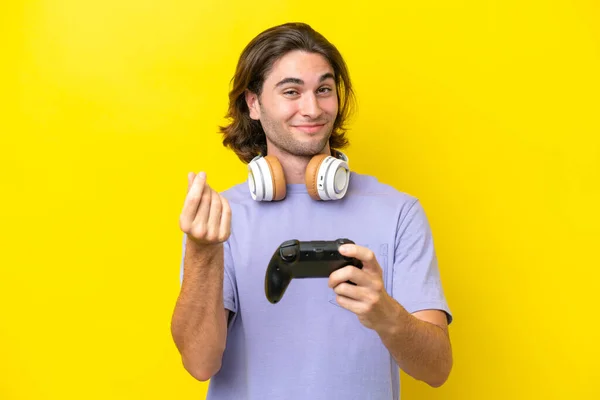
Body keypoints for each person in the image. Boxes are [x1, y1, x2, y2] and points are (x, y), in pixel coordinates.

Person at [170, 22, 453, 400]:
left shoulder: (398, 212)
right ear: (253, 103)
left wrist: (386, 313)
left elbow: (436, 369)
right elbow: (199, 363)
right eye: (291, 91)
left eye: (324, 90)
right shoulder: (221, 219)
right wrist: (202, 254)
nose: (313, 108)